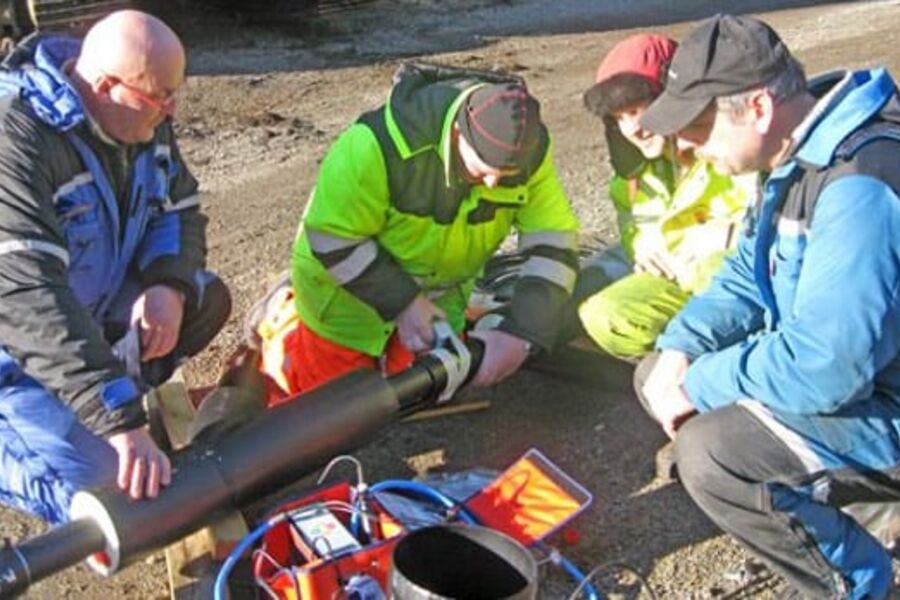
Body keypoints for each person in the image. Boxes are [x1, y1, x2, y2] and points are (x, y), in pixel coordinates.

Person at [636, 13, 900, 599]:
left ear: (756, 107)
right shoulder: (798, 154)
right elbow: (746, 278)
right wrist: (682, 351)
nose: (684, 146)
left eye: (698, 126)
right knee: (657, 372)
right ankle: (856, 514)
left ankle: (856, 582)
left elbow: (829, 365)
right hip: (867, 382)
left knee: (713, 454)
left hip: (886, 401)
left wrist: (703, 383)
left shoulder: (861, 181)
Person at [0, 10, 230, 524]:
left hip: (82, 310)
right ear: (104, 85)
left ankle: (93, 394)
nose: (171, 112)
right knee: (109, 492)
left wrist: (167, 285)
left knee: (204, 298)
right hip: (17, 349)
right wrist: (120, 421)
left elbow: (180, 208)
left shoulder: (138, 119)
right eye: (160, 97)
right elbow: (28, 299)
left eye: (175, 94)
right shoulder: (15, 143)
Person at [260, 63, 579, 405]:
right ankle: (282, 316)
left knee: (418, 395)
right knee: (326, 411)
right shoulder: (374, 146)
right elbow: (333, 239)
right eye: (484, 171)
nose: (492, 184)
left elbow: (554, 244)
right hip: (345, 299)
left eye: (505, 175)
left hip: (441, 301)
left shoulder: (528, 151)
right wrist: (405, 304)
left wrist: (524, 332)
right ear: (459, 134)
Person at [574, 33, 753, 359]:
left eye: (638, 110)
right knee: (602, 315)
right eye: (620, 118)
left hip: (739, 282)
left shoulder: (731, 147)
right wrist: (645, 252)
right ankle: (689, 355)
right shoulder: (631, 177)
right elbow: (635, 231)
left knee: (714, 267)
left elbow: (770, 230)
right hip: (678, 284)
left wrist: (707, 243)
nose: (632, 129)